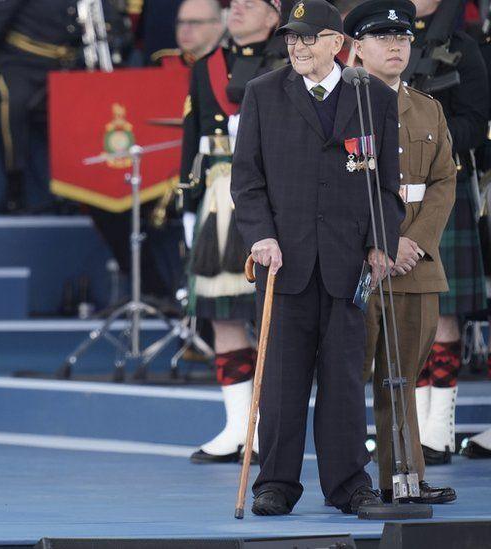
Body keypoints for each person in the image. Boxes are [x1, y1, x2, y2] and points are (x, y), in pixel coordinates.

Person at [231, 0, 404, 515]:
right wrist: (260, 236)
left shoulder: (373, 96)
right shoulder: (262, 94)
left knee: (345, 380)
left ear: (337, 43)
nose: (298, 46)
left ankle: (349, 482)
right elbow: (247, 181)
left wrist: (380, 242)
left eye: (309, 38)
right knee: (282, 381)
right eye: (292, 38)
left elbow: (387, 188)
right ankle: (277, 483)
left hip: (348, 265)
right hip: (284, 264)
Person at [344, 0, 457, 505]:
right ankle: (348, 482)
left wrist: (413, 243)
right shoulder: (342, 103)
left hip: (413, 263)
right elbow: (340, 187)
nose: (396, 46)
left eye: (403, 38)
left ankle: (404, 477)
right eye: (383, 38)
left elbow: (443, 182)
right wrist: (381, 243)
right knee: (348, 378)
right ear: (357, 47)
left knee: (402, 378)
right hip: (360, 263)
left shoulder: (427, 107)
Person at [180, 0, 287, 464]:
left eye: (250, 3)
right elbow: (193, 139)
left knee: (273, 318)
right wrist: (188, 207)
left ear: (274, 16)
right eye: (233, 4)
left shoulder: (290, 61)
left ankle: (268, 426)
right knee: (224, 315)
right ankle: (237, 425)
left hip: (277, 198)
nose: (237, 9)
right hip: (220, 198)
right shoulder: (208, 67)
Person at [404, 0, 490, 466]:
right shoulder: (374, 40)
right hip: (388, 188)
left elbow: (476, 123)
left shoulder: (463, 47)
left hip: (441, 186)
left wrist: (424, 144)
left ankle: (440, 426)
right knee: (405, 308)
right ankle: (411, 423)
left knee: (443, 305)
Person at [0, 0, 127, 212]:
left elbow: (107, 19)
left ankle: (78, 193)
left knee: (89, 107)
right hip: (19, 62)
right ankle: (14, 186)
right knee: (13, 104)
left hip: (67, 66)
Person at [173, 0, 226, 65]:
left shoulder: (233, 66)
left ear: (217, 26)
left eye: (194, 22)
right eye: (181, 22)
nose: (185, 29)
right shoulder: (162, 68)